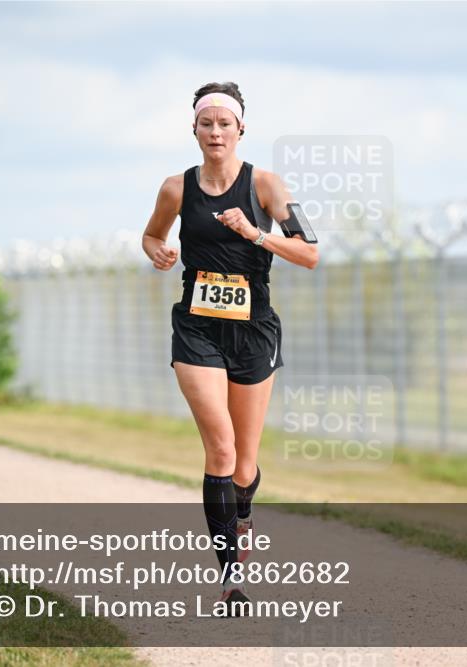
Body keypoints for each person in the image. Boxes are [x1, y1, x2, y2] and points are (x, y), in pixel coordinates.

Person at [141, 81, 318, 613]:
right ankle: (230, 581)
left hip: (253, 329)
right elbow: (151, 235)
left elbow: (309, 254)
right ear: (193, 130)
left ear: (241, 129)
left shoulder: (266, 185)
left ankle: (242, 512)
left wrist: (255, 233)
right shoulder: (176, 188)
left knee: (243, 463)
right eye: (206, 123)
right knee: (219, 448)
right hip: (196, 327)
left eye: (224, 123)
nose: (215, 131)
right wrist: (159, 252)